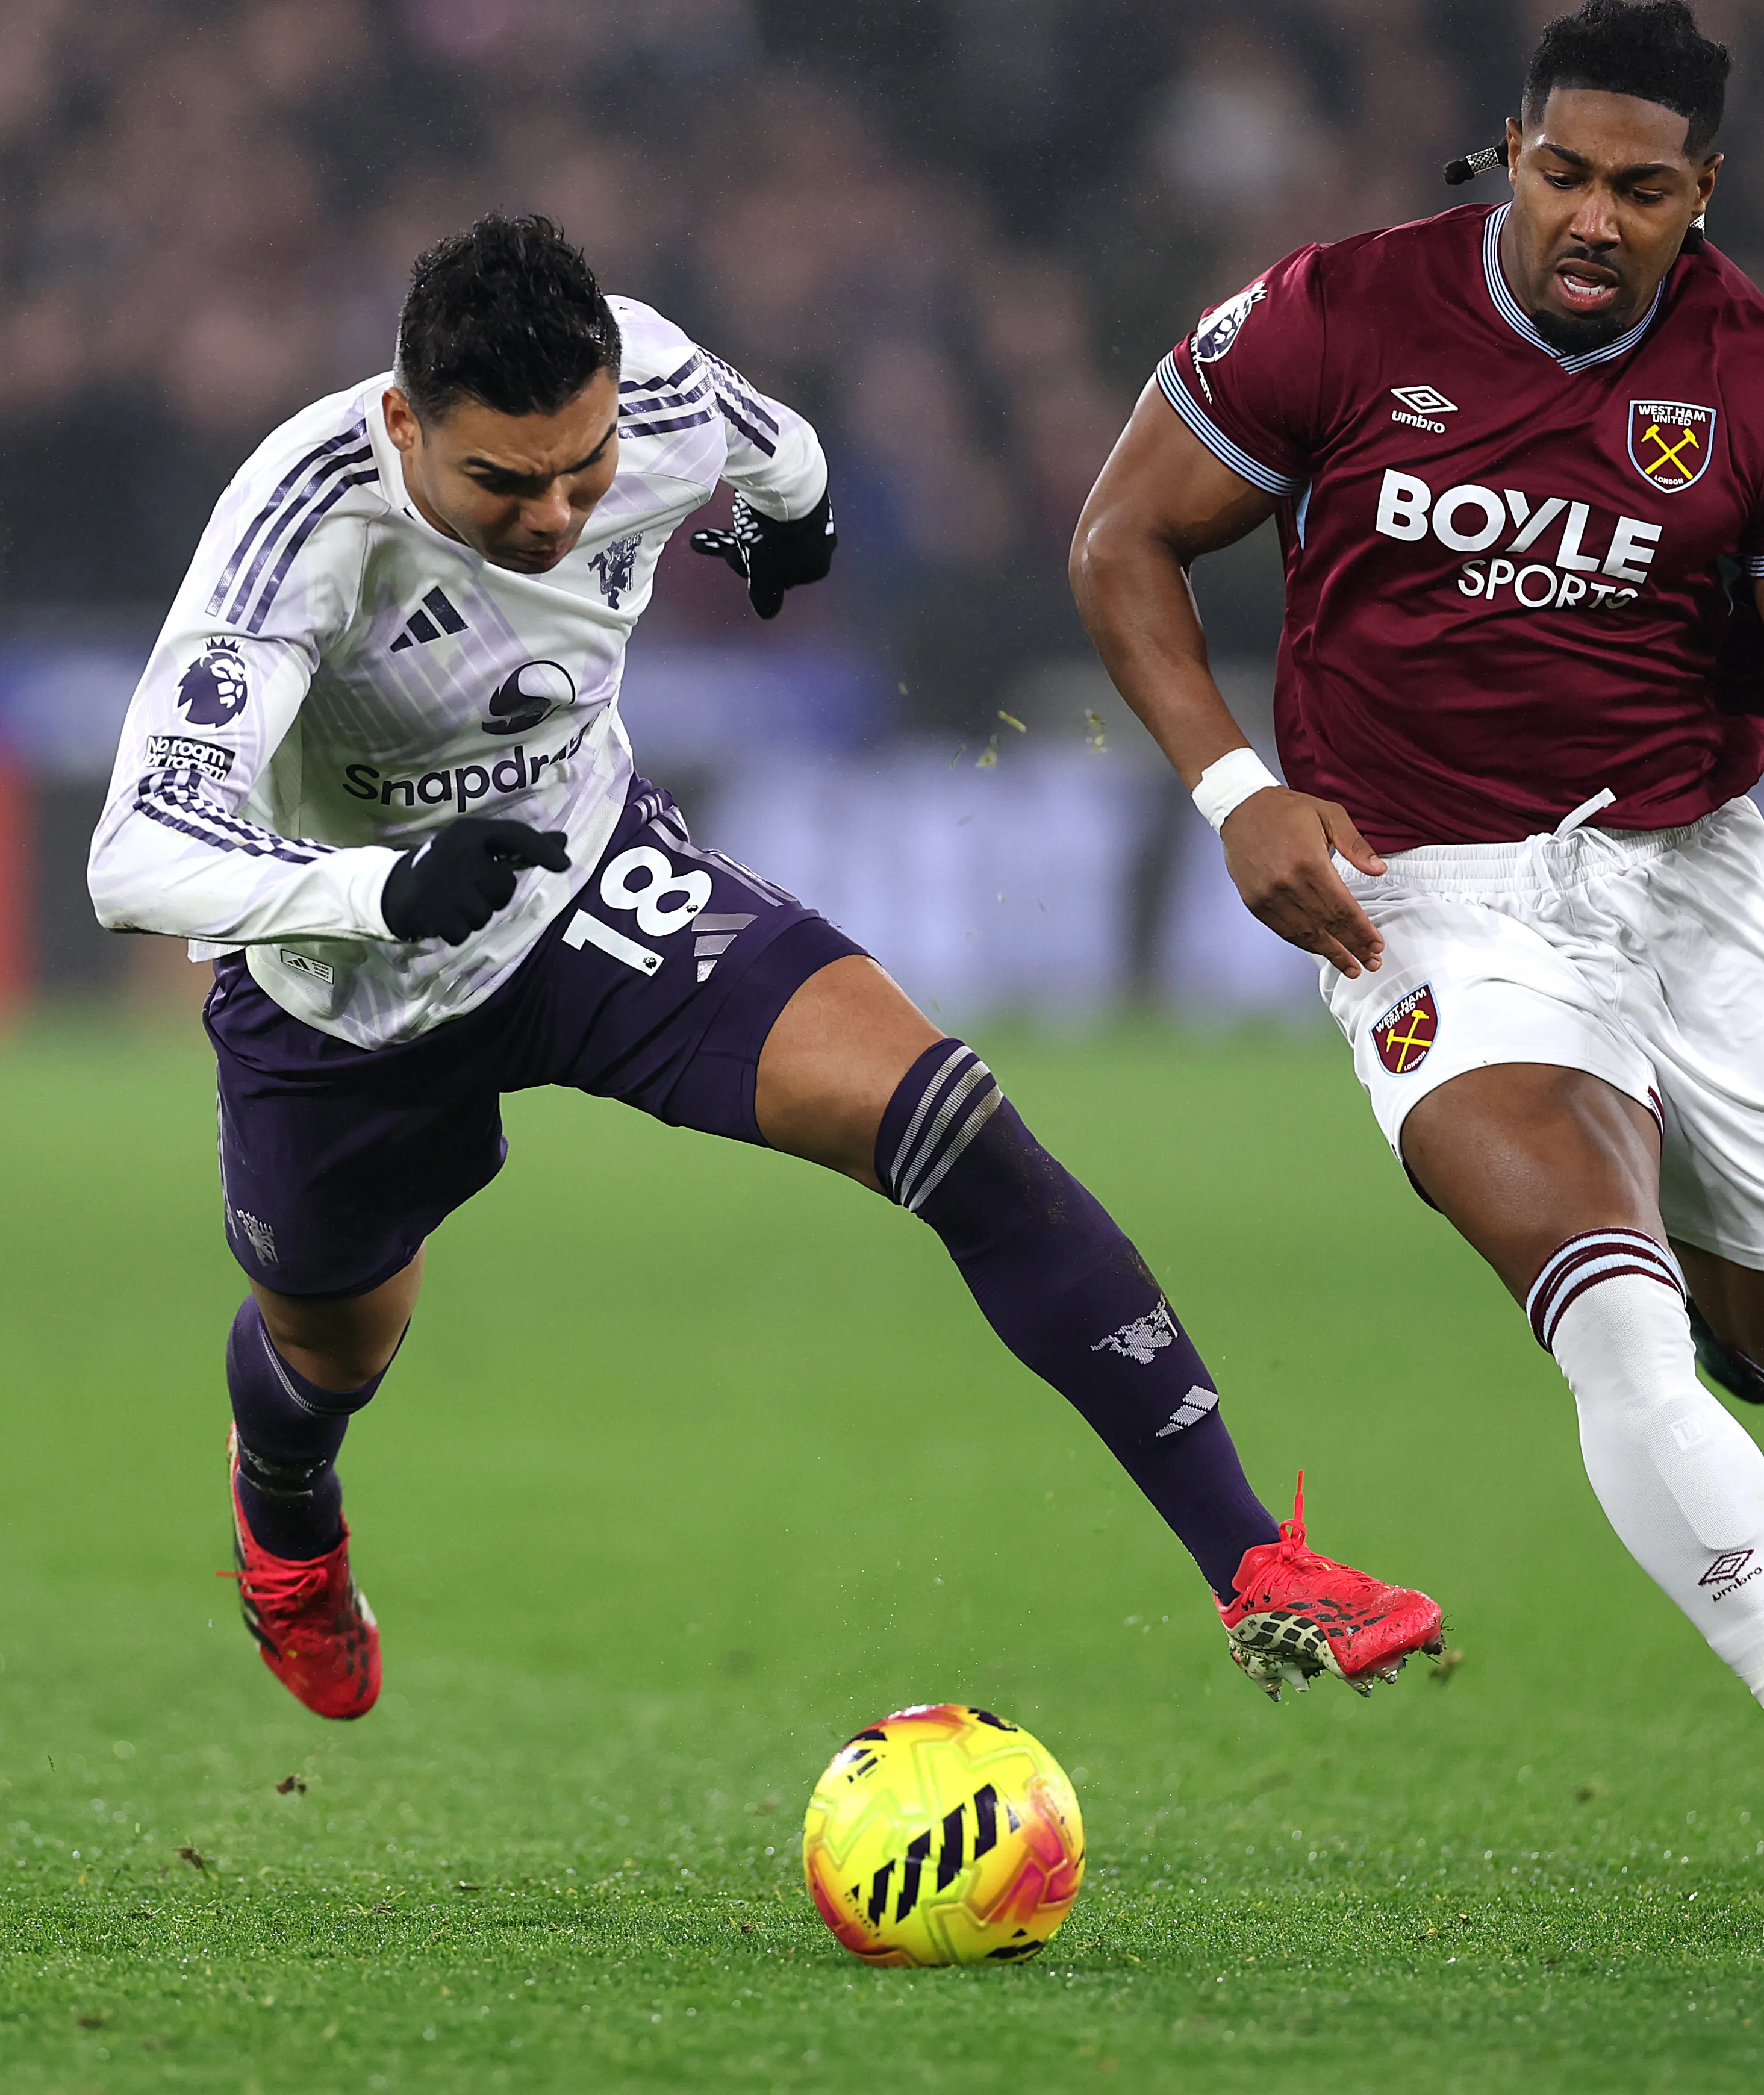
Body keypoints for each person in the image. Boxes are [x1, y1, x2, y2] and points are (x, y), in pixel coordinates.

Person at [88, 213, 1442, 1724]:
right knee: (330, 1344)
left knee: (951, 1119)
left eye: (581, 469)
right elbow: (135, 852)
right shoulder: (299, 525)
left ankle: (1256, 1562)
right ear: (405, 421)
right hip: (344, 984)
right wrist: (380, 886)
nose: (552, 515)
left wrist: (790, 525)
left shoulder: (655, 381)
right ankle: (284, 1512)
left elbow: (779, 452)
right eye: (500, 482)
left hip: (593, 878)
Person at [1070, 0, 1764, 1924]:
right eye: (1562, 171)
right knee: (1612, 1311)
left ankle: (1689, 1199)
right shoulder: (1338, 311)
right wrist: (1238, 788)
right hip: (1424, 900)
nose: (1590, 217)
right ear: (1512, 150)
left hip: (1693, 882)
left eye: (1638, 190)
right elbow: (1118, 541)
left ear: (1702, 196)